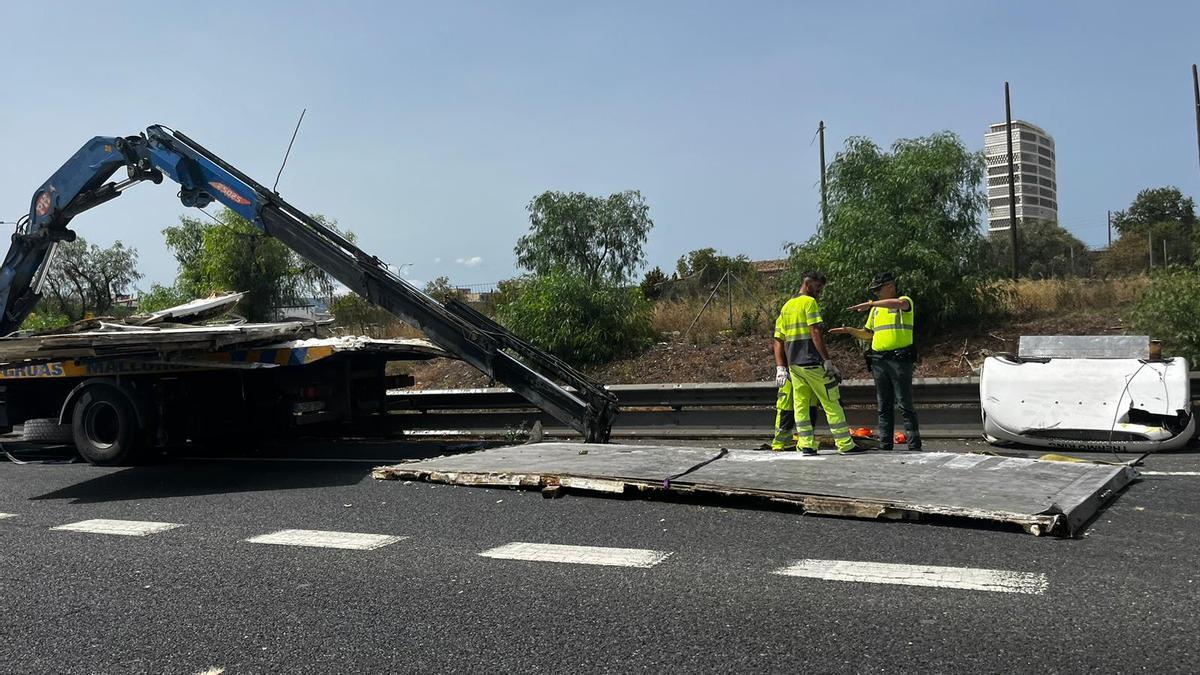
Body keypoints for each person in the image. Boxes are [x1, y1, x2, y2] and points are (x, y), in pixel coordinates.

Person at [771, 270, 861, 455]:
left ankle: (806, 444)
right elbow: (815, 332)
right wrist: (827, 361)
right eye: (818, 287)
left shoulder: (787, 306)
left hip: (794, 365)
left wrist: (781, 367)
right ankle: (845, 444)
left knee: (801, 405)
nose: (819, 292)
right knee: (831, 400)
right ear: (808, 283)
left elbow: (779, 339)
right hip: (811, 360)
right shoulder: (809, 302)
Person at [829, 272, 922, 451]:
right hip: (879, 361)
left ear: (890, 286)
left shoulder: (904, 301)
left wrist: (870, 304)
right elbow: (868, 334)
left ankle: (914, 445)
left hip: (899, 360)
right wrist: (849, 330)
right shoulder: (876, 310)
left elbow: (899, 304)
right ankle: (885, 444)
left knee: (905, 404)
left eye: (879, 289)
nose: (877, 294)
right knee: (883, 404)